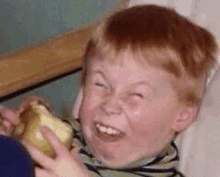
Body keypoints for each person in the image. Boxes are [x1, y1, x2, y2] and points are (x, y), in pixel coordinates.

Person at [0, 4, 218, 177]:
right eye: (100, 84)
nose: (109, 105)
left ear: (181, 116)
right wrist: (20, 133)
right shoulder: (72, 137)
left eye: (135, 95)